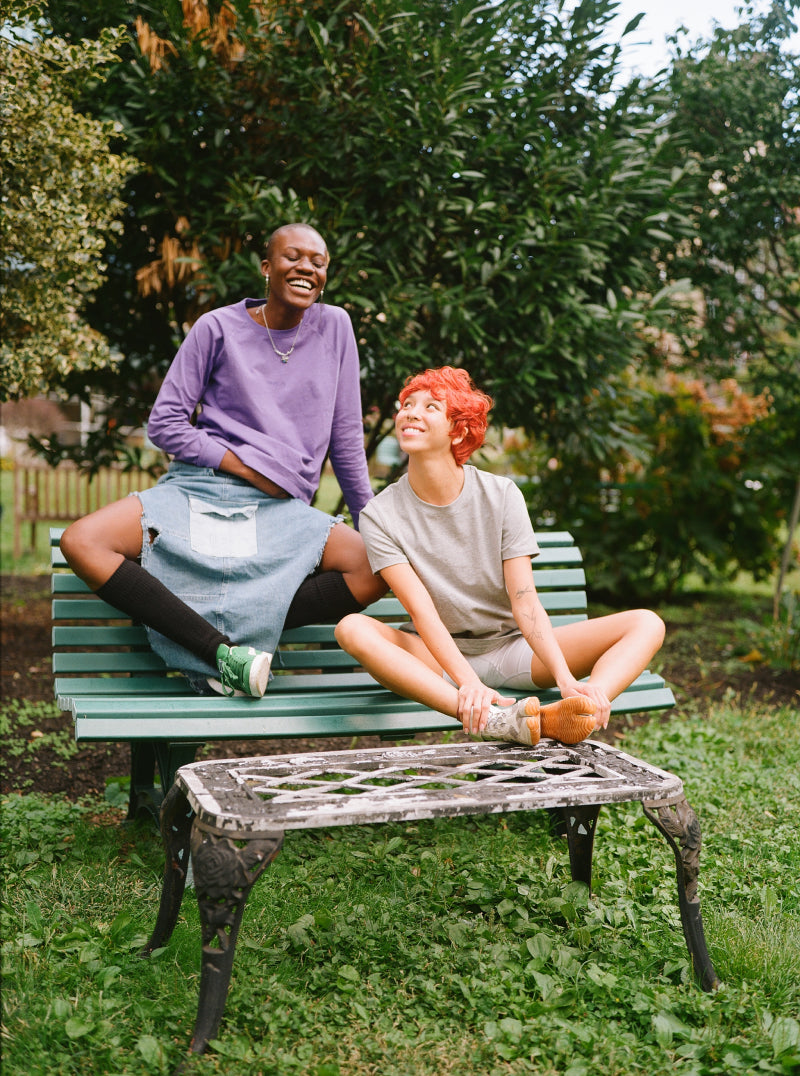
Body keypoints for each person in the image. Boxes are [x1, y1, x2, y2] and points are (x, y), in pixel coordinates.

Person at [60, 223, 386, 697]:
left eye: (318, 262)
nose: (307, 268)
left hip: (280, 511)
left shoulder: (335, 326)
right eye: (293, 257)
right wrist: (245, 467)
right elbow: (166, 424)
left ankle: (235, 642)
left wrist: (372, 524)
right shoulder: (216, 327)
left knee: (376, 567)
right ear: (267, 267)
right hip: (201, 487)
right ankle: (221, 655)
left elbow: (348, 440)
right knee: (83, 541)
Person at [334, 366, 666, 746]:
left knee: (646, 623)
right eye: (407, 404)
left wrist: (563, 678)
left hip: (513, 651)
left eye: (430, 406)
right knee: (352, 629)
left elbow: (524, 600)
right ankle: (494, 720)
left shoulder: (501, 495)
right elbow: (422, 612)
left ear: (457, 430)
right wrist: (469, 684)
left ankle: (582, 706)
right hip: (437, 660)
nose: (410, 412)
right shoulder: (380, 514)